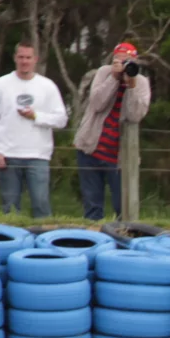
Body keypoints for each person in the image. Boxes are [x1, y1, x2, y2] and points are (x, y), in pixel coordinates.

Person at [71, 41, 151, 222]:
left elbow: (134, 115)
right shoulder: (104, 73)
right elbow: (97, 103)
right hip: (91, 147)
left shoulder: (142, 82)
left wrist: (131, 85)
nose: (123, 65)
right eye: (119, 60)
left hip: (120, 156)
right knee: (92, 205)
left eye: (127, 61)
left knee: (122, 206)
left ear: (135, 61)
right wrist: (113, 78)